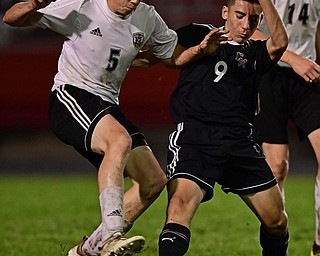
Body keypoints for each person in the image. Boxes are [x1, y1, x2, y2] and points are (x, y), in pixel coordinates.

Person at [2, 0, 184, 255]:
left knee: (152, 180)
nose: (134, 1)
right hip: (71, 96)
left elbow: (172, 54)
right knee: (119, 141)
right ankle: (111, 235)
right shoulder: (83, 6)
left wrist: (203, 49)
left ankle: (86, 250)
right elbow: (11, 18)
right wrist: (34, 3)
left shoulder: (146, 16)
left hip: (107, 105)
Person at [156, 0, 290, 255]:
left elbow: (280, 43)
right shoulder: (198, 33)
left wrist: (265, 2)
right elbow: (164, 56)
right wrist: (200, 49)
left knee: (277, 221)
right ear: (225, 12)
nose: (245, 24)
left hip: (240, 141)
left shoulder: (255, 53)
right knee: (178, 208)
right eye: (240, 15)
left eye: (254, 19)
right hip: (196, 137)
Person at [251, 1, 320, 255]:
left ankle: (319, 245)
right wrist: (293, 58)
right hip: (271, 74)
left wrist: (309, 61)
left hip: (308, 77)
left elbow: (315, 29)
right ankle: (275, 250)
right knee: (276, 166)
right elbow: (249, 29)